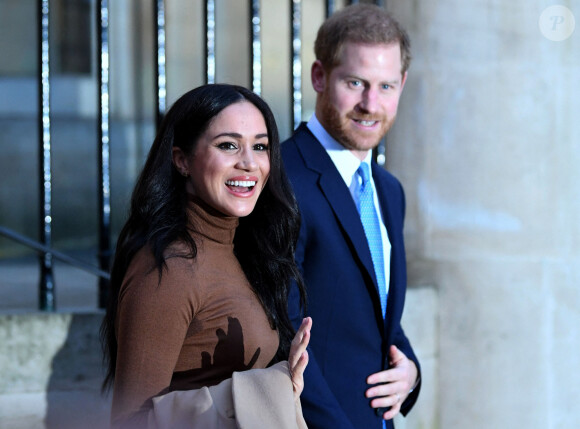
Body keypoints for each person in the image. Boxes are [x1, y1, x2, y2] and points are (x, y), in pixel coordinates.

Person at [100, 83, 312, 428]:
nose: (248, 163)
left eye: (260, 147)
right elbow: (130, 421)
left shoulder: (242, 248)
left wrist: (280, 388)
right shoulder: (169, 270)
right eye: (228, 145)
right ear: (182, 159)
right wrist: (258, 391)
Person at [281, 4, 420, 429]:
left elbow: (377, 315)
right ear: (319, 76)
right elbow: (280, 328)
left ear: (403, 84)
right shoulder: (281, 178)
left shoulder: (388, 190)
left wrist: (410, 371)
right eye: (355, 82)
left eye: (386, 86)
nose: (370, 104)